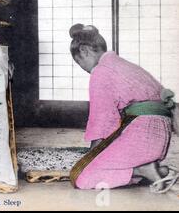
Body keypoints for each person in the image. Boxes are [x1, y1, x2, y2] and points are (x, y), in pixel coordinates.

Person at [68, 24, 178, 193]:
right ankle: (152, 169)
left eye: (79, 62)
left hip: (142, 137)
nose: (82, 68)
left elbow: (102, 121)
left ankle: (141, 170)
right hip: (159, 139)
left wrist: (91, 157)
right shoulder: (126, 66)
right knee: (99, 164)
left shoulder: (101, 71)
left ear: (84, 51)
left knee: (81, 175)